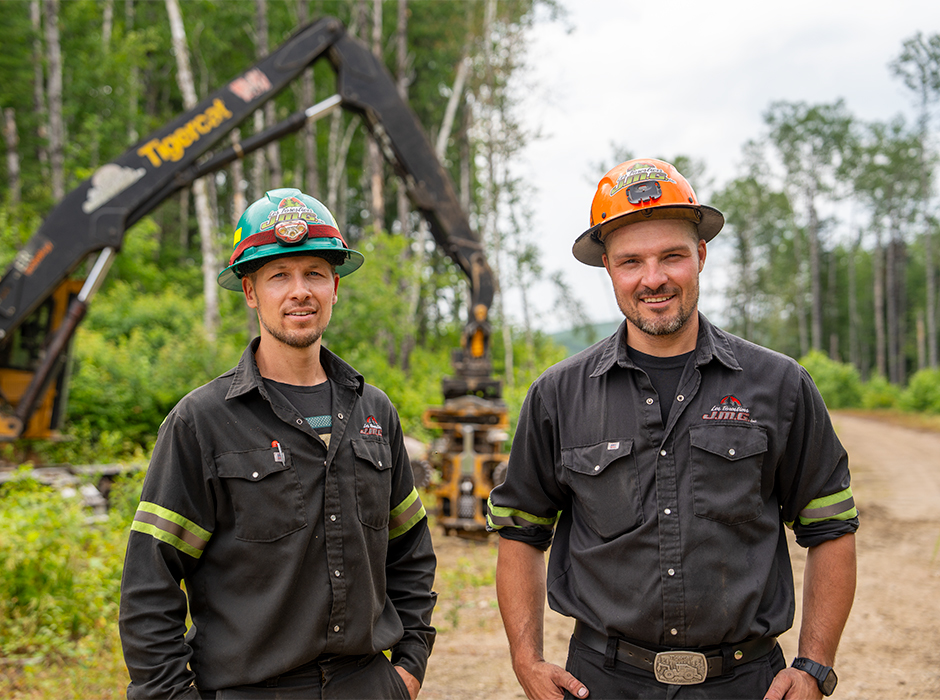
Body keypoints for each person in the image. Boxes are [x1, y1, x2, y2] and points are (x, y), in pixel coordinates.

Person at [487, 159, 858, 700]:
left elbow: (831, 526)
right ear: (609, 270)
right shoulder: (557, 396)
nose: (653, 278)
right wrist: (527, 661)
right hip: (602, 682)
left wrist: (815, 665)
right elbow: (521, 531)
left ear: (701, 256)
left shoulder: (779, 385)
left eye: (672, 256)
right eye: (631, 261)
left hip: (746, 684)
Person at [119, 188, 437, 699]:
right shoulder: (201, 421)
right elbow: (150, 583)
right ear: (250, 292)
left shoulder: (374, 411)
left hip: (368, 685)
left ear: (335, 286)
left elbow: (411, 551)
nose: (299, 291)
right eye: (278, 276)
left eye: (314, 273)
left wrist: (409, 666)